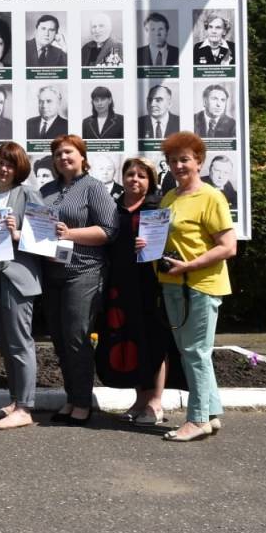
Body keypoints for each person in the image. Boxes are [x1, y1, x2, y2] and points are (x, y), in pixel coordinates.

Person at [145, 132, 237, 442]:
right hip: (173, 284)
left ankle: (196, 420)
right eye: (173, 161)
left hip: (201, 284)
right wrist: (148, 245)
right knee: (190, 352)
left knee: (196, 352)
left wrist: (189, 266)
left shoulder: (211, 197)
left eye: (184, 159)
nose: (178, 166)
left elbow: (228, 246)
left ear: (199, 161)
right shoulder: (170, 197)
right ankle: (210, 414)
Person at [39, 134, 118, 425]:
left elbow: (109, 230)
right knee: (60, 341)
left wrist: (69, 234)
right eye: (58, 154)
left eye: (68, 152)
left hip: (83, 272)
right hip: (52, 273)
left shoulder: (93, 187)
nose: (63, 157)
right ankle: (72, 398)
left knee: (76, 338)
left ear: (82, 156)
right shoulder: (47, 190)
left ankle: (83, 403)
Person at [96, 157, 178, 426]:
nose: (135, 179)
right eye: (130, 174)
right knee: (131, 339)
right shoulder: (114, 206)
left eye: (142, 176)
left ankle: (155, 403)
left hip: (150, 284)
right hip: (120, 283)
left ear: (150, 180)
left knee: (154, 341)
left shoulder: (158, 207)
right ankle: (139, 400)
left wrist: (155, 244)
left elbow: (174, 242)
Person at [0, 142, 43, 430]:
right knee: (4, 344)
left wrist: (17, 233)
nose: (4, 169)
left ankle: (25, 408)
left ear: (19, 168)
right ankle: (15, 402)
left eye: (10, 164)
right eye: (0, 163)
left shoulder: (28, 194)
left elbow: (45, 236)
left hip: (17, 278)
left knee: (19, 343)